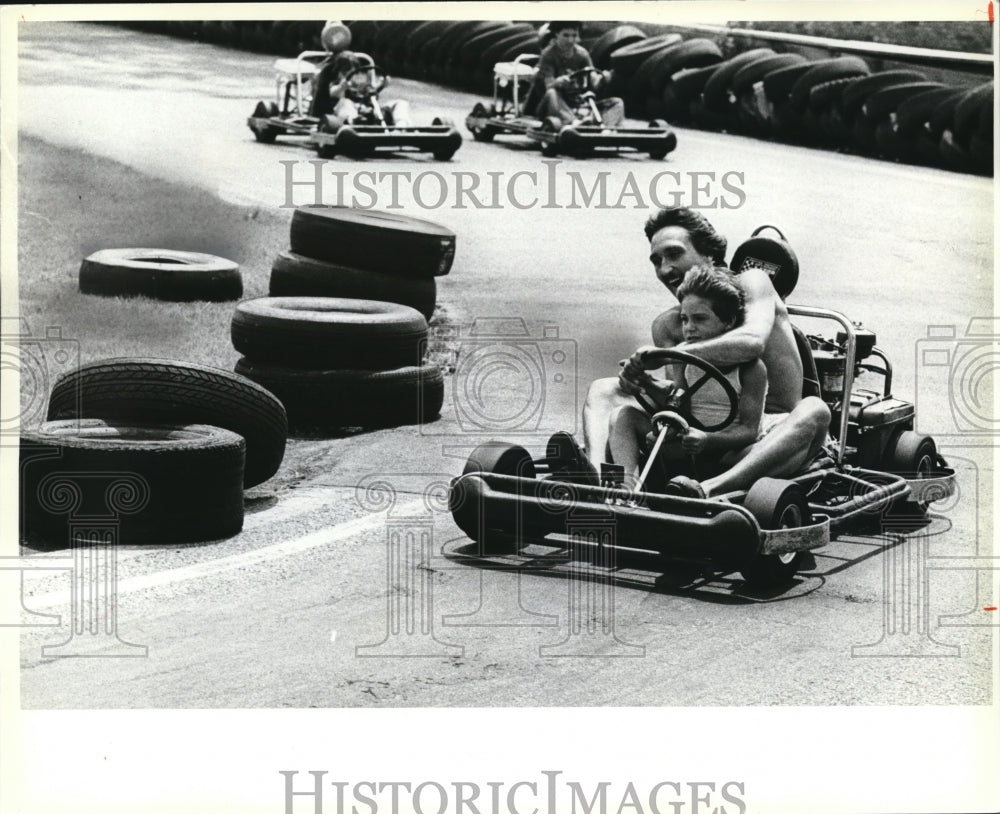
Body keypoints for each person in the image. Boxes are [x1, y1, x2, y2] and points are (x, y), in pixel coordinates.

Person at [575, 206, 831, 498]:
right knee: (604, 389)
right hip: (698, 436)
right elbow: (679, 402)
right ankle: (601, 480)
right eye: (656, 261)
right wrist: (643, 382)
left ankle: (707, 489)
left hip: (764, 438)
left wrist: (670, 355)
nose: (664, 269)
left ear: (708, 252)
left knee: (815, 409)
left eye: (674, 254)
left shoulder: (753, 282)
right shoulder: (669, 324)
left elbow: (752, 342)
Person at [607, 265, 767, 483]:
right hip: (690, 442)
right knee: (623, 415)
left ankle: (714, 487)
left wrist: (707, 439)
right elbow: (679, 407)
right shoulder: (683, 358)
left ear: (728, 321)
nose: (689, 328)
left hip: (730, 452)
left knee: (757, 451)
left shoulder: (751, 369)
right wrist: (645, 382)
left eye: (699, 319)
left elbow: (748, 431)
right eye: (684, 319)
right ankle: (624, 487)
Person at [309, 23, 411, 126]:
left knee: (400, 103)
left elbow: (371, 95)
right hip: (341, 116)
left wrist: (382, 85)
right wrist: (342, 87)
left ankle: (401, 126)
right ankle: (354, 122)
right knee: (346, 103)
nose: (350, 73)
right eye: (346, 70)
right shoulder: (333, 80)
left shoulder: (358, 81)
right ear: (338, 71)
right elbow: (333, 93)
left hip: (366, 111)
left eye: (353, 70)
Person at [531, 21, 624, 127]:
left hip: (577, 103)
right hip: (552, 105)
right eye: (566, 35)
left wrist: (603, 78)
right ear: (556, 34)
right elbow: (548, 86)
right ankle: (573, 123)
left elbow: (593, 81)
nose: (570, 40)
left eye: (574, 35)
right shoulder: (548, 55)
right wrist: (558, 82)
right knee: (552, 93)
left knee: (617, 102)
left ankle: (607, 129)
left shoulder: (582, 54)